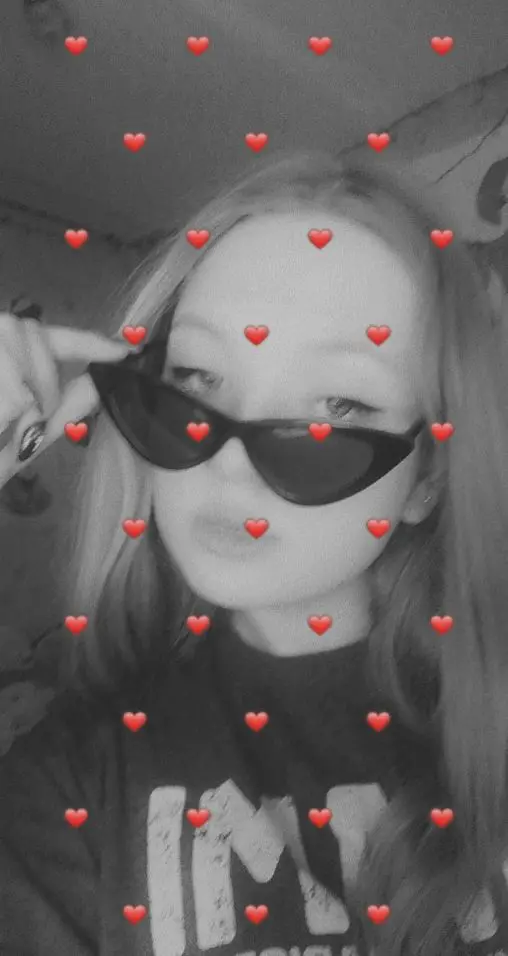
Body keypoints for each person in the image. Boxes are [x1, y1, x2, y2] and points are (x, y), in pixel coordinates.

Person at [0, 150, 508, 956]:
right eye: (197, 379)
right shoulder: (80, 773)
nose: (228, 465)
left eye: (337, 407)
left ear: (428, 478)